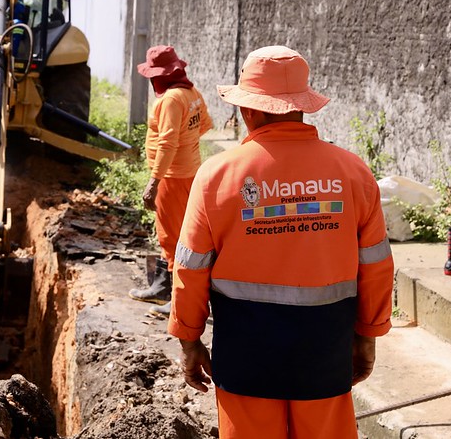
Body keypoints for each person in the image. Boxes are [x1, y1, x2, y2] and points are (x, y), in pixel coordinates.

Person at [168, 45, 394, 438]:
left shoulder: (216, 176)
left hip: (245, 355)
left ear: (249, 110)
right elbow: (376, 266)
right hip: (324, 351)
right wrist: (367, 335)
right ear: (301, 107)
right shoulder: (353, 173)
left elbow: (190, 266)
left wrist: (189, 339)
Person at [128, 45, 213, 316]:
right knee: (183, 233)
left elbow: (167, 142)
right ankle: (164, 288)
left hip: (172, 178)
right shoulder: (192, 94)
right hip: (189, 173)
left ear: (159, 76)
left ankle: (179, 301)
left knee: (172, 237)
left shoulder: (170, 100)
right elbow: (204, 126)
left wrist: (154, 182)